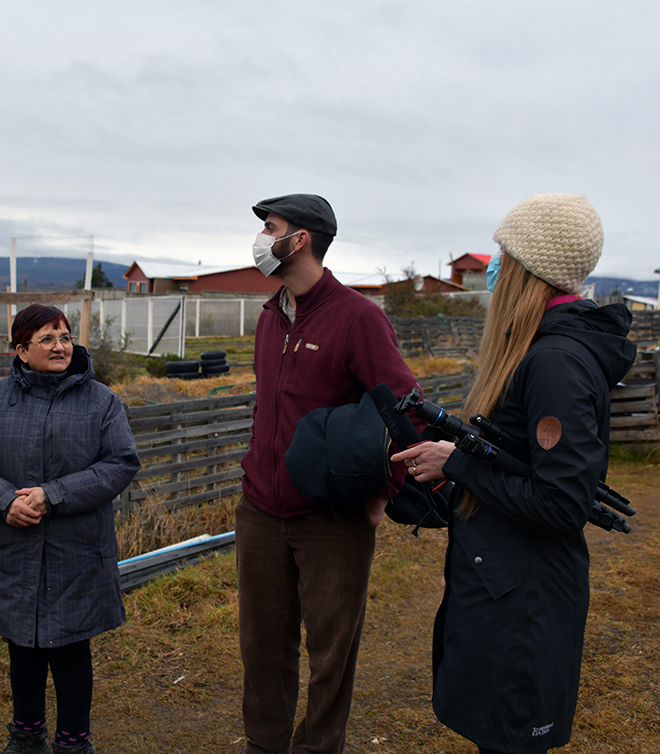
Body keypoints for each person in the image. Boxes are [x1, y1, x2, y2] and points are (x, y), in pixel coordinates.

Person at [392, 193, 636, 754]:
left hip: (527, 600)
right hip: (504, 583)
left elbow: (562, 504)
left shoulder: (555, 363)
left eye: (504, 253)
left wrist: (456, 463)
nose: (494, 266)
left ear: (531, 269)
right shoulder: (536, 349)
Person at [237, 194, 422, 754]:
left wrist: (385, 491)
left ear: (301, 240)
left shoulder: (358, 318)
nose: (261, 239)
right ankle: (263, 746)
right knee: (262, 647)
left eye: (270, 229)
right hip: (261, 511)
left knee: (330, 652)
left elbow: (405, 407)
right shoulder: (272, 316)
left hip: (330, 516)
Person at [0, 304, 140, 754]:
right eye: (47, 339)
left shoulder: (100, 400)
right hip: (15, 548)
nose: (60, 347)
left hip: (78, 551)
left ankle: (74, 742)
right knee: (24, 649)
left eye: (65, 337)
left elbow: (120, 463)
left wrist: (53, 495)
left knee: (72, 651)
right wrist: (3, 503)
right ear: (21, 350)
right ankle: (26, 736)